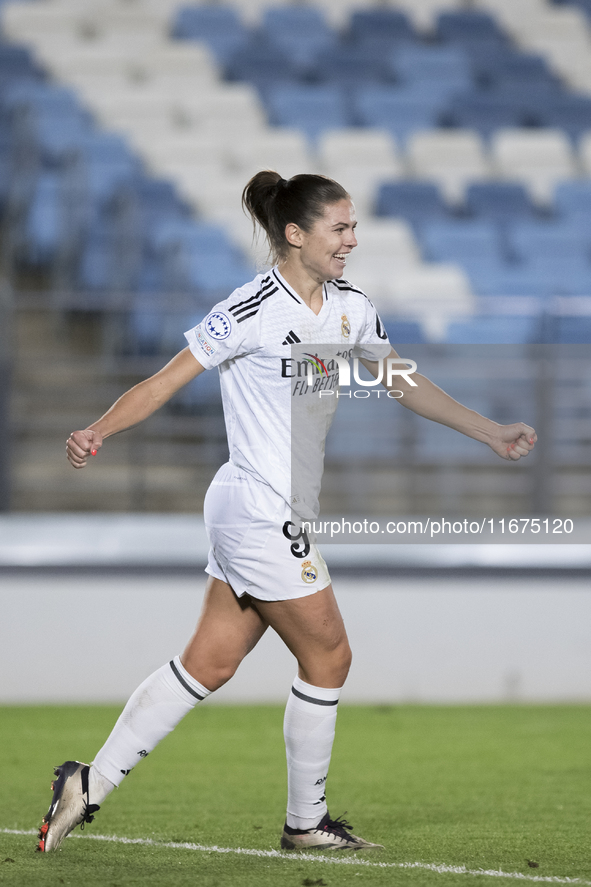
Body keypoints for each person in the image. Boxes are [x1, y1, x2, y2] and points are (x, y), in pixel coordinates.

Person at [37, 171, 536, 854]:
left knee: (208, 663)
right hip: (256, 507)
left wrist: (487, 430)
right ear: (295, 234)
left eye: (354, 226)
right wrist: (99, 429)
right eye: (340, 227)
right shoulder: (247, 310)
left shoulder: (351, 309)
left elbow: (399, 378)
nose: (352, 240)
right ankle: (306, 820)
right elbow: (165, 380)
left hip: (265, 508)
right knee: (329, 653)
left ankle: (87, 781)